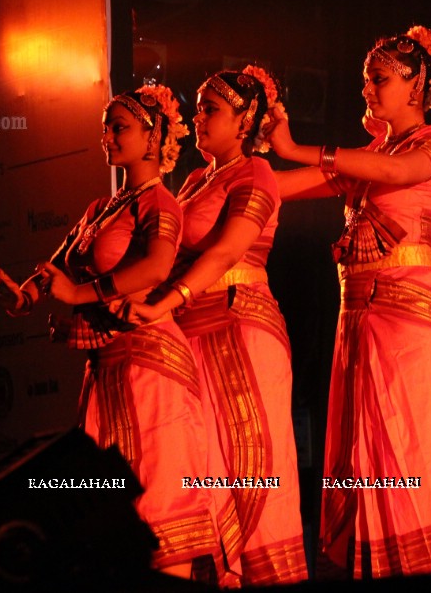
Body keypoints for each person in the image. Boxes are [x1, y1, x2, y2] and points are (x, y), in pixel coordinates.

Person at [264, 25, 431, 578]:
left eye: (379, 78)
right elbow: (288, 187)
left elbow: (398, 172)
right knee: (366, 456)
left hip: (411, 318)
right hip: (358, 318)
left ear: (416, 83)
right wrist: (235, 176)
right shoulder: (369, 152)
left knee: (415, 452)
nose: (368, 89)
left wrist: (300, 147)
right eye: (365, 79)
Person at [0, 83, 226, 579]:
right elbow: (58, 267)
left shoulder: (159, 202)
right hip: (107, 369)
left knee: (157, 504)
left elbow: (158, 267)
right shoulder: (101, 208)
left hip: (150, 364)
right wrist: (25, 297)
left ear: (152, 136)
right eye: (105, 127)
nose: (108, 136)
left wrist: (79, 297)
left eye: (119, 127)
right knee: (103, 510)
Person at [123, 66, 308, 586]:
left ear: (245, 119)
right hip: (188, 333)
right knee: (198, 464)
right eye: (199, 107)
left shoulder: (256, 175)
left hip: (239, 325)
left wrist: (169, 299)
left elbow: (228, 250)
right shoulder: (190, 181)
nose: (199, 118)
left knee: (247, 464)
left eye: (211, 110)